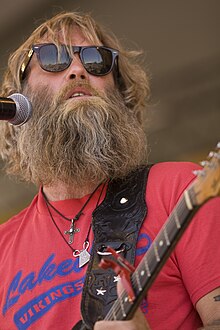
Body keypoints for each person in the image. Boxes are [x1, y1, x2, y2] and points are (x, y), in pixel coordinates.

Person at [0, 11, 219, 330]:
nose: (77, 70)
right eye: (53, 58)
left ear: (120, 96)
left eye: (97, 61)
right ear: (19, 99)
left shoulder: (182, 189)